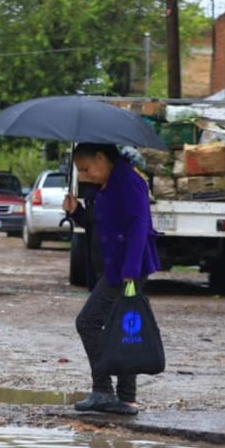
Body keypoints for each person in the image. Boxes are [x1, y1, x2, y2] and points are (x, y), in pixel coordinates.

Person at [63, 143, 161, 416]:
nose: (83, 175)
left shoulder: (129, 181)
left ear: (101, 157)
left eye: (86, 168)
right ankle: (125, 399)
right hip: (111, 267)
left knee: (88, 322)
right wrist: (75, 212)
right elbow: (98, 224)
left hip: (126, 270)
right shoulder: (103, 186)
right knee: (122, 329)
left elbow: (139, 224)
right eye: (79, 171)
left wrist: (130, 268)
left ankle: (105, 391)